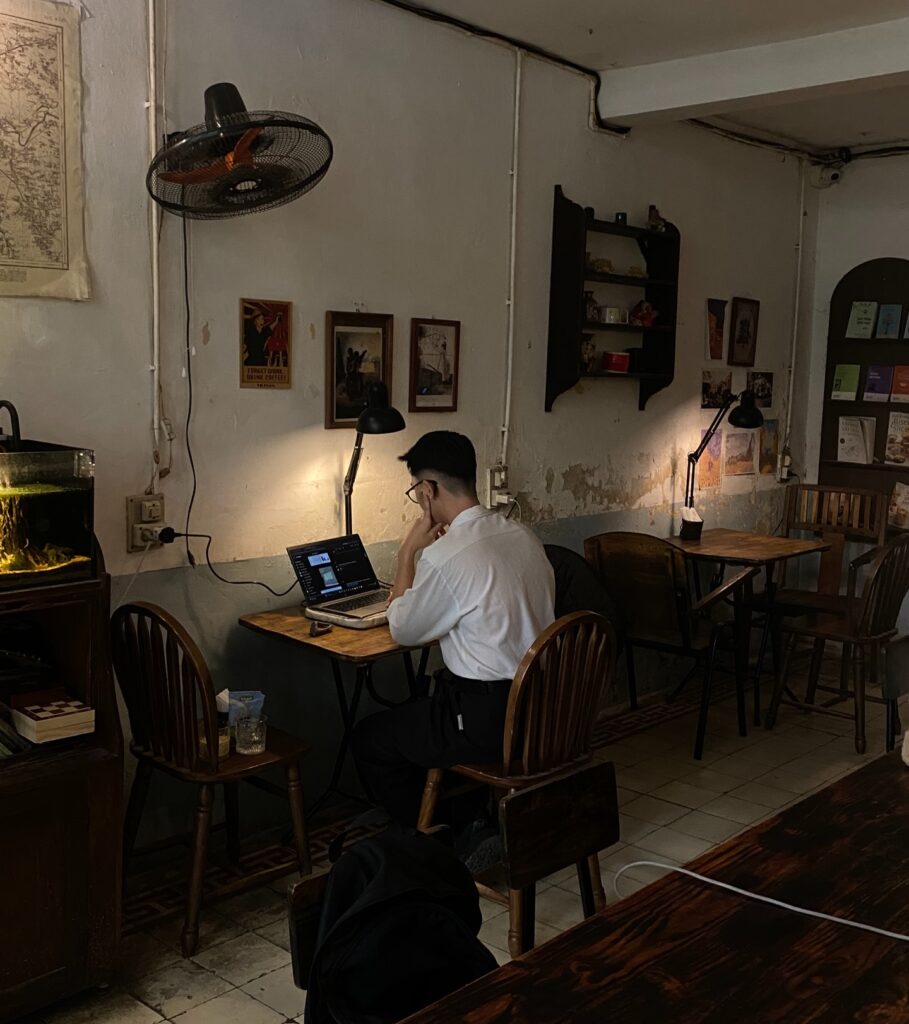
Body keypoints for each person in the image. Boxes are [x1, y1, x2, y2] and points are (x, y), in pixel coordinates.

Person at [352, 431, 555, 835]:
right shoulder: (523, 536)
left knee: (371, 738)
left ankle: (439, 840)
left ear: (428, 490)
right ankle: (474, 819)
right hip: (544, 710)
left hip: (489, 721)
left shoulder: (449, 555)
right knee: (422, 712)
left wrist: (409, 551)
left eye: (415, 491)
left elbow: (404, 629)